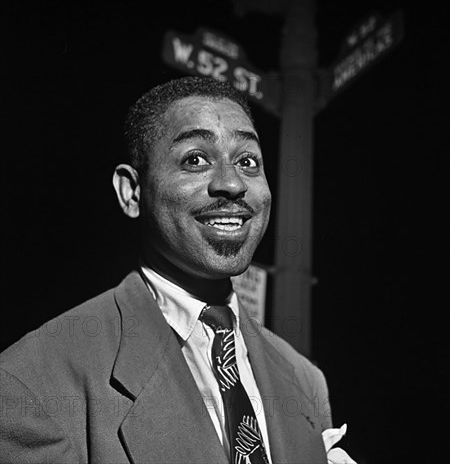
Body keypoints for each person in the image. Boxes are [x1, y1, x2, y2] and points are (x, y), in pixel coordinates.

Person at [0, 76, 355, 463]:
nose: (232, 183)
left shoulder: (305, 381)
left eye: (247, 160)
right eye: (195, 159)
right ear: (131, 192)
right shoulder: (31, 381)